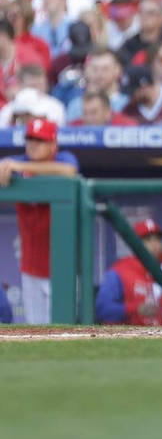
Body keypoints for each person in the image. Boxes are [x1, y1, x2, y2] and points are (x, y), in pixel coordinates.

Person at [0, 118, 79, 324]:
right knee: (35, 331)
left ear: (53, 144)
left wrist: (21, 166)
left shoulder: (64, 158)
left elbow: (69, 171)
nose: (33, 145)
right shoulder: (19, 161)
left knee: (63, 331)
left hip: (61, 268)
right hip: (30, 268)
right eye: (30, 139)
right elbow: (6, 164)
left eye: (40, 140)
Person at [95, 218, 162, 325]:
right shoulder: (119, 271)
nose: (155, 245)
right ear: (135, 244)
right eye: (148, 240)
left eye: (158, 239)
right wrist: (135, 308)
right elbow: (103, 310)